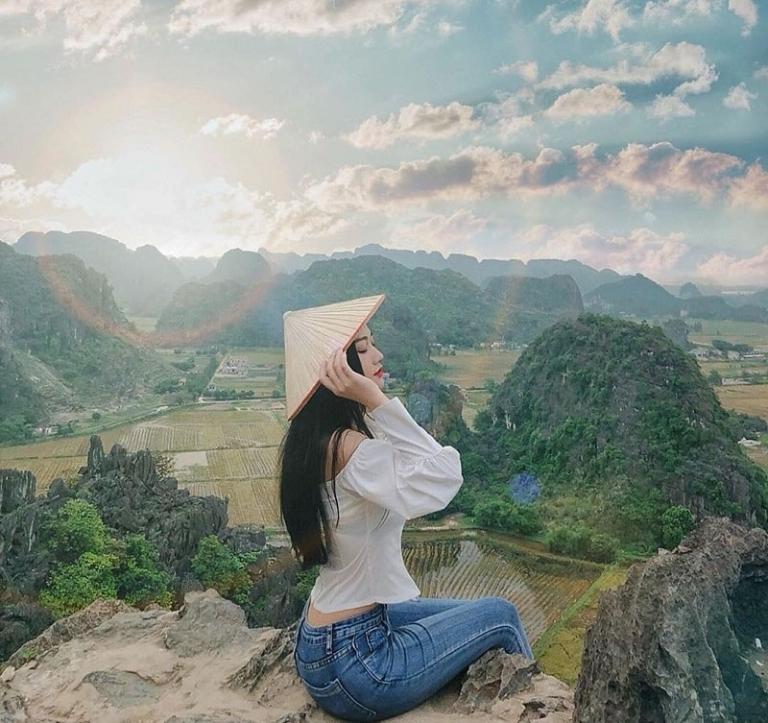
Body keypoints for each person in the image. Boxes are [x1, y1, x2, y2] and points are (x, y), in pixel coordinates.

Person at [278, 295, 533, 721]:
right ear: (337, 373)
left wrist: (370, 404)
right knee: (502, 616)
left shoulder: (315, 441)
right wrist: (377, 399)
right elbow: (444, 476)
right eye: (362, 349)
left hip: (320, 640)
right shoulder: (352, 450)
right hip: (358, 665)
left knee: (473, 610)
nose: (377, 355)